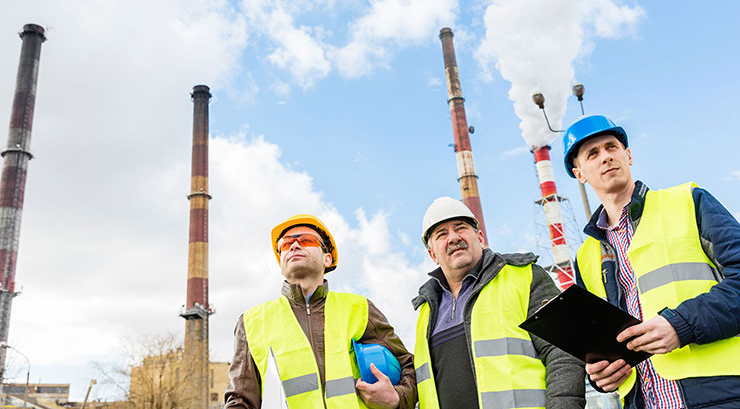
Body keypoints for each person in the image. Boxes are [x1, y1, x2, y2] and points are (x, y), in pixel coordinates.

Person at [563, 114, 740, 408]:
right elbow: (594, 339)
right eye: (592, 154)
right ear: (579, 172)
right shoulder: (585, 257)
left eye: (611, 147)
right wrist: (599, 374)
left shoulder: (688, 202)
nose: (605, 157)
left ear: (628, 155)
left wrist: (681, 325)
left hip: (721, 396)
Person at [224, 214, 417, 408]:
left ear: (327, 258)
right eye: (285, 244)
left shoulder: (359, 308)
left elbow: (409, 366)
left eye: (306, 240)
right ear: (281, 263)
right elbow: (240, 401)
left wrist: (397, 397)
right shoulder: (252, 322)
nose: (294, 246)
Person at [412, 197, 586, 409]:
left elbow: (564, 350)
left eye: (461, 228)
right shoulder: (426, 311)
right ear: (432, 254)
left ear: (480, 237)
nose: (454, 238)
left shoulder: (525, 276)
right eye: (442, 234)